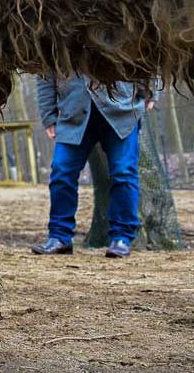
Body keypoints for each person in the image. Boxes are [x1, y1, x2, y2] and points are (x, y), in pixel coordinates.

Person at [32, 74, 153, 258]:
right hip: (72, 112)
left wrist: (152, 92)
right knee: (61, 172)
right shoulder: (56, 43)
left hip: (122, 110)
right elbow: (45, 73)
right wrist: (48, 115)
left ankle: (122, 238)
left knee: (124, 172)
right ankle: (59, 237)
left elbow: (150, 51)